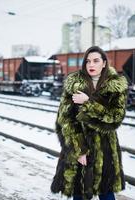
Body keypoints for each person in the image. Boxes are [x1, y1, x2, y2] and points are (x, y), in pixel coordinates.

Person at [50, 46, 128, 200]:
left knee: (106, 194)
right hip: (79, 150)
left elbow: (115, 118)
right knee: (79, 194)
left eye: (96, 61)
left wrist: (88, 103)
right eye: (88, 61)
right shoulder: (74, 84)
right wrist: (79, 150)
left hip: (105, 153)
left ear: (104, 63)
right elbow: (64, 120)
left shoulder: (115, 86)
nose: (91, 65)